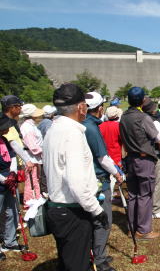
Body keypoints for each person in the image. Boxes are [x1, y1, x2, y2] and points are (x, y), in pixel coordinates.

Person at [43, 83, 109, 271]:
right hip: (72, 211)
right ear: (81, 107)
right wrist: (96, 210)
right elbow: (76, 182)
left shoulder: (53, 130)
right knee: (77, 265)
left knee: (67, 261)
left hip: (57, 207)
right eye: (85, 105)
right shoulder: (73, 134)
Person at [83, 92, 123, 271]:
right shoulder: (91, 128)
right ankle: (99, 259)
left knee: (92, 220)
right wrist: (117, 173)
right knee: (103, 220)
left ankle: (95, 253)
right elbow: (102, 157)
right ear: (99, 109)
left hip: (87, 179)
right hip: (99, 180)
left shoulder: (82, 124)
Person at [120, 87, 160, 240]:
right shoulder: (144, 118)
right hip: (144, 159)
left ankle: (132, 226)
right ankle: (143, 230)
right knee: (145, 195)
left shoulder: (123, 117)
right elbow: (158, 139)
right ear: (143, 100)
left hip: (130, 158)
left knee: (133, 194)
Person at [140, 98, 160, 213]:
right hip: (154, 153)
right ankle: (156, 208)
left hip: (141, 153)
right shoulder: (154, 121)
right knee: (157, 181)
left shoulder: (139, 119)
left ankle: (146, 207)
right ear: (153, 109)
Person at [0, 115, 23, 257]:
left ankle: (10, 241)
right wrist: (3, 179)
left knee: (12, 211)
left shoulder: (5, 140)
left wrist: (13, 173)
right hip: (2, 181)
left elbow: (13, 156)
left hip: (9, 180)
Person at [19, 104, 45, 205]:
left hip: (35, 157)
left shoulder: (30, 125)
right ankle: (30, 201)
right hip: (31, 158)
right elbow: (33, 146)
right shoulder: (27, 127)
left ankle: (35, 198)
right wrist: (44, 151)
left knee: (35, 179)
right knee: (32, 180)